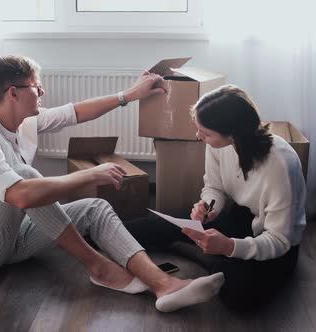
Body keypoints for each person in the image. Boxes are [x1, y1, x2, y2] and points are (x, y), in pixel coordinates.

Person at [0, 55, 224, 313]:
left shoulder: (22, 121)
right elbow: (20, 196)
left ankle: (163, 284)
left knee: (96, 208)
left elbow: (75, 112)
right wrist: (88, 176)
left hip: (15, 238)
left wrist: (130, 95)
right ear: (13, 93)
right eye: (37, 87)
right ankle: (100, 268)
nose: (42, 92)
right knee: (24, 176)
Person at [124, 84, 306, 311]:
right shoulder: (219, 144)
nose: (199, 136)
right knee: (159, 224)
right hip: (242, 217)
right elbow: (214, 188)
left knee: (239, 295)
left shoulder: (281, 165)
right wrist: (208, 208)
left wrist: (229, 246)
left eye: (206, 132)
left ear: (232, 133)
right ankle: (94, 233)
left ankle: (205, 258)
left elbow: (279, 241)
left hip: (277, 242)